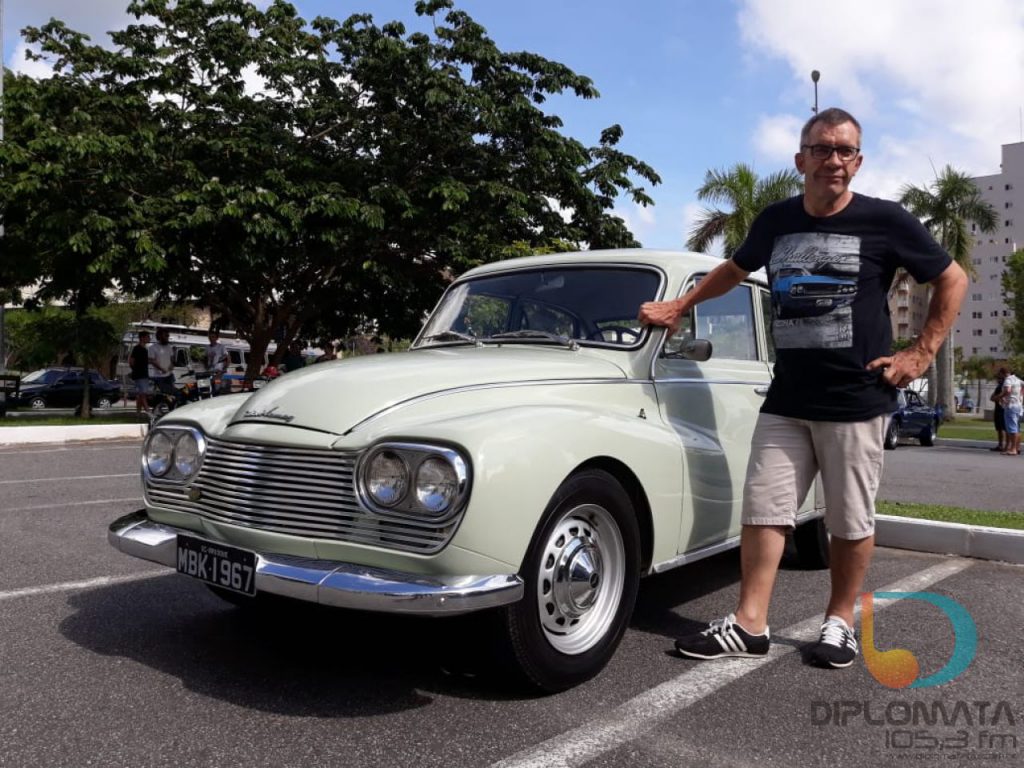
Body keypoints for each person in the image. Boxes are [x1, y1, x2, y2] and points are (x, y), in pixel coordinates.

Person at [638, 108, 967, 669]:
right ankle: (750, 624)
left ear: (857, 162)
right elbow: (734, 270)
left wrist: (921, 351)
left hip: (856, 399)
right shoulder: (777, 219)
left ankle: (839, 622)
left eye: (844, 151)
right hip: (788, 397)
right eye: (821, 149)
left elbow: (951, 277)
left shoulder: (885, 221)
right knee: (764, 511)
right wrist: (681, 305)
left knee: (849, 520)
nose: (832, 160)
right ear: (801, 159)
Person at [148, 327, 178, 399]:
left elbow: (172, 359)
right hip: (159, 377)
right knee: (164, 395)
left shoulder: (169, 347)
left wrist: (172, 365)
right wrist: (161, 369)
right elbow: (151, 360)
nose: (168, 337)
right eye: (166, 335)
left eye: (168, 335)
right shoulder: (153, 347)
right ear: (160, 336)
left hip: (169, 375)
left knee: (172, 396)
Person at [1000, 368, 1023, 456]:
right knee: (1016, 427)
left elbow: (1008, 390)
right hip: (1018, 405)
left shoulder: (1008, 380)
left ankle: (1013, 449)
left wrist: (999, 397)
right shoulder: (1017, 379)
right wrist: (1020, 397)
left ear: (1003, 373)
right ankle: (1015, 448)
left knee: (1012, 428)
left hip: (1011, 405)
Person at [129, 330, 152, 415]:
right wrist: (136, 369)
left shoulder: (145, 349)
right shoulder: (137, 348)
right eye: (147, 337)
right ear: (142, 338)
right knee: (143, 393)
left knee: (140, 394)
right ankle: (148, 411)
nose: (149, 338)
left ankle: (138, 413)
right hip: (140, 375)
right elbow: (131, 361)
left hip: (144, 374)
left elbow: (145, 361)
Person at [990, 368, 1008, 452]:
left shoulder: (1005, 385)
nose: (998, 377)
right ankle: (1000, 444)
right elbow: (992, 397)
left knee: (1004, 427)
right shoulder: (999, 385)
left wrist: (997, 398)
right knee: (999, 428)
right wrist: (996, 398)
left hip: (1003, 409)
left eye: (1000, 374)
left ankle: (1006, 445)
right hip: (997, 408)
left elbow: (1002, 396)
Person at [206, 329, 228, 394]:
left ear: (216, 338)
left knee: (217, 388)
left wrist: (223, 369)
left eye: (213, 337)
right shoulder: (207, 347)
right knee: (209, 388)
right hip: (210, 372)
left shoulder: (221, 347)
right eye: (210, 337)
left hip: (218, 372)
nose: (211, 339)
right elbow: (206, 359)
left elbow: (227, 358)